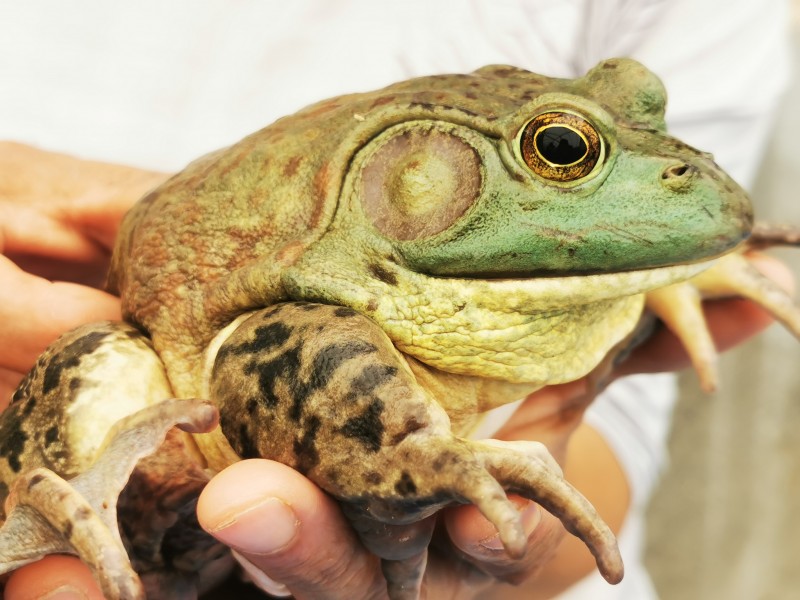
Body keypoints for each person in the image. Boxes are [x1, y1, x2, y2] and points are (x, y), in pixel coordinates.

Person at [0, 0, 791, 598]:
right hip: (163, 400)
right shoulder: (334, 303)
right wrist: (418, 454)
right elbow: (260, 356)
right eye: (561, 151)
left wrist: (668, 268)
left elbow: (616, 447)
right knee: (99, 369)